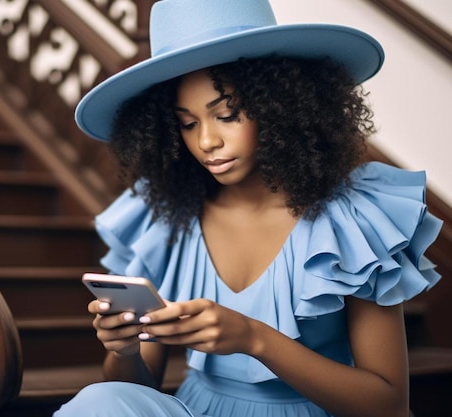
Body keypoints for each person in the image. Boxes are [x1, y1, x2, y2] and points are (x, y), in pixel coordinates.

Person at [54, 0, 443, 416]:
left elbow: (389, 405)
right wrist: (124, 349)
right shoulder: (165, 223)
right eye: (187, 123)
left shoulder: (353, 223)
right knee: (100, 401)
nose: (206, 142)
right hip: (193, 409)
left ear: (282, 107)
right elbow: (132, 392)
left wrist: (254, 338)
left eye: (227, 114)